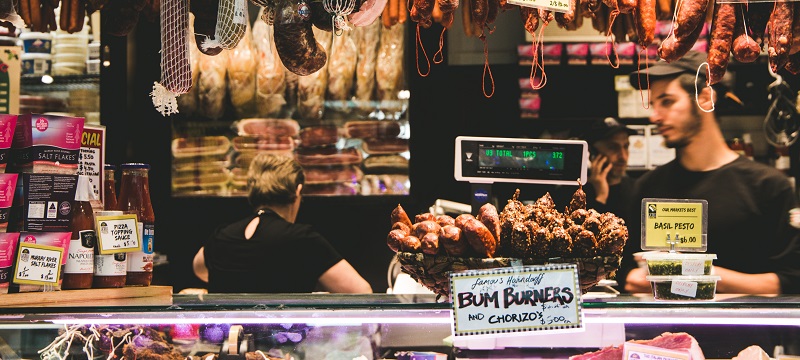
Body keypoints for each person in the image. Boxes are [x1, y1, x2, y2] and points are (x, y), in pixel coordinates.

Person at [618, 50, 800, 294]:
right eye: (654, 104)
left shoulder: (768, 186)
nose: (655, 116)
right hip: (664, 332)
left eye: (667, 101)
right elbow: (627, 276)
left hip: (743, 331)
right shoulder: (647, 188)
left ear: (705, 98)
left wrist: (699, 273)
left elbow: (789, 281)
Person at [193, 153, 373, 293]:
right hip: (284, 340)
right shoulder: (302, 239)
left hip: (228, 340)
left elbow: (199, 268)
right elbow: (361, 292)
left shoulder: (221, 236)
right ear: (298, 191)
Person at [582, 117, 636, 219]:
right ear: (592, 153)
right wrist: (601, 196)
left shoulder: (637, 190)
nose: (623, 156)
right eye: (613, 148)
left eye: (626, 146)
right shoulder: (577, 196)